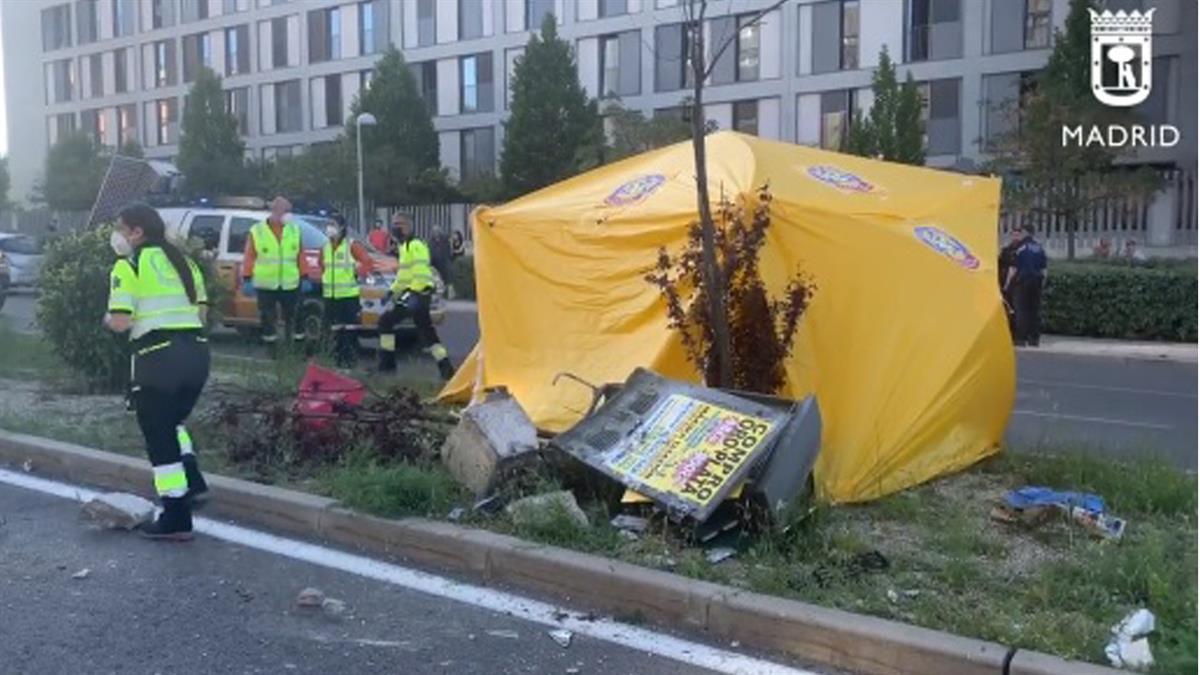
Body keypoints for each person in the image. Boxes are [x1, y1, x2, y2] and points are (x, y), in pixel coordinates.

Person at [104, 203, 210, 540]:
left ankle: (176, 516)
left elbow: (121, 322)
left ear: (136, 232)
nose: (117, 235)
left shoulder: (128, 264)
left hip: (156, 359)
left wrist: (105, 320)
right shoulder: (185, 263)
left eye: (121, 228)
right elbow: (203, 314)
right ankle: (192, 480)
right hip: (196, 356)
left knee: (159, 441)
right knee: (171, 423)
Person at [377, 213, 455, 380]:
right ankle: (446, 368)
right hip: (415, 294)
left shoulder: (415, 245)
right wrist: (393, 292)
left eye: (399, 224)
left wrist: (414, 295)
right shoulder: (404, 246)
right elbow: (404, 276)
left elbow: (420, 274)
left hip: (418, 294)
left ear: (409, 226)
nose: (395, 227)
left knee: (386, 321)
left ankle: (387, 366)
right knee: (426, 332)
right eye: (393, 224)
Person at [242, 196, 305, 354]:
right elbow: (249, 255)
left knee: (295, 317)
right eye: (286, 211)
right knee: (267, 319)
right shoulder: (257, 231)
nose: (289, 214)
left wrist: (304, 275)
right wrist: (247, 278)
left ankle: (297, 349)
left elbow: (300, 255)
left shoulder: (294, 229)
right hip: (266, 284)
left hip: (290, 283)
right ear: (276, 211)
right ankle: (272, 351)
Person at [318, 215, 373, 368]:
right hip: (330, 296)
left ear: (342, 227)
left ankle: (349, 363)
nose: (330, 228)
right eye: (328, 224)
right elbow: (321, 265)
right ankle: (337, 363)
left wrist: (358, 273)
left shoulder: (351, 245)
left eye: (333, 224)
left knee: (349, 331)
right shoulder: (325, 247)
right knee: (334, 332)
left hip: (348, 296)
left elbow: (367, 263)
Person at [1005, 224, 1048, 347]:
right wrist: (1042, 284)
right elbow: (1044, 270)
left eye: (1022, 232)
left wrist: (1007, 285)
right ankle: (1034, 339)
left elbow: (1013, 268)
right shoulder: (1039, 248)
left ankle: (1020, 339)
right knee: (1035, 310)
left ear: (1026, 232)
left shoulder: (1020, 247)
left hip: (1023, 281)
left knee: (1021, 310)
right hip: (1037, 281)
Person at [429, 226, 453, 295]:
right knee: (436, 278)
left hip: (444, 262)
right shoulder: (430, 242)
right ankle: (437, 292)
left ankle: (447, 293)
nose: (436, 233)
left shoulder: (445, 241)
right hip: (434, 262)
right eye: (434, 232)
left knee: (446, 276)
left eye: (437, 232)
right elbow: (430, 252)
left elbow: (448, 251)